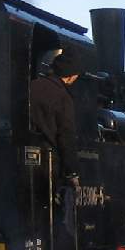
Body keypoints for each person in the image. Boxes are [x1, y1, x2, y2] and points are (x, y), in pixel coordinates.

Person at [29, 49, 82, 182]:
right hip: (49, 162)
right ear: (70, 75)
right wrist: (72, 171)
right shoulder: (63, 97)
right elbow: (66, 135)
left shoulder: (31, 86)